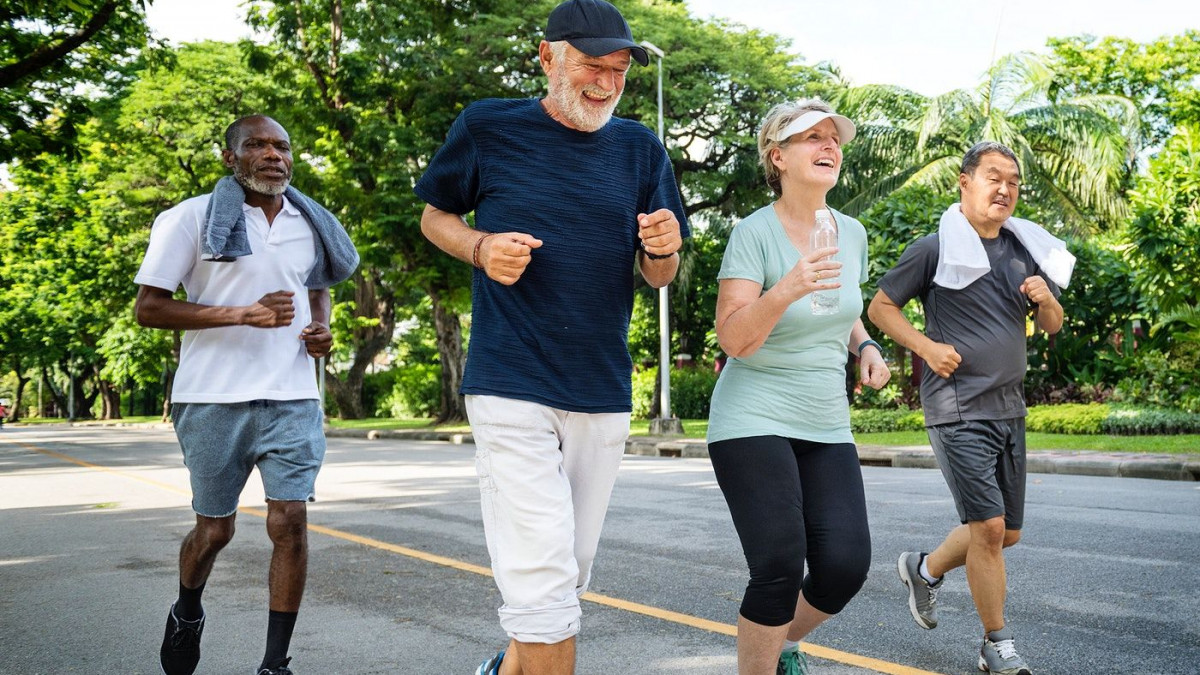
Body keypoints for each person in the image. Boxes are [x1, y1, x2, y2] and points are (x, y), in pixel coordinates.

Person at [414, 1, 688, 672]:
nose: (605, 83)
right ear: (547, 57)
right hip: (510, 381)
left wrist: (663, 246)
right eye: (592, 66)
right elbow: (434, 215)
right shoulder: (487, 127)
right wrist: (479, 248)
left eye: (619, 71)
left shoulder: (640, 149)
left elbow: (661, 273)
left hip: (600, 387)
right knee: (542, 586)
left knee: (565, 576)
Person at [134, 114, 358, 675]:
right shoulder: (189, 219)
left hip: (292, 397)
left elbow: (316, 288)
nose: (272, 154)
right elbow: (149, 308)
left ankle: (274, 663)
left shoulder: (311, 223)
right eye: (256, 145)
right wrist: (241, 313)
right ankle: (188, 610)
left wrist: (321, 330)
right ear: (230, 159)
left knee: (289, 522)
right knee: (216, 529)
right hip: (212, 398)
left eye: (281, 145)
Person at [867, 141, 1069, 675]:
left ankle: (924, 569)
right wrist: (927, 348)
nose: (1005, 189)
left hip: (1009, 408)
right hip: (957, 408)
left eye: (1014, 182)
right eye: (994, 178)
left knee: (1007, 533)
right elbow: (880, 307)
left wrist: (1046, 299)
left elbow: (1052, 325)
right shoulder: (934, 248)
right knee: (987, 531)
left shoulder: (1023, 250)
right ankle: (995, 644)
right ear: (965, 182)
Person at [707, 99, 891, 675]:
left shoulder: (851, 233)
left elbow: (840, 307)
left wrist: (864, 345)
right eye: (810, 137)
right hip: (752, 414)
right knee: (780, 563)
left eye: (833, 137)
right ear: (777, 156)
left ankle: (780, 645)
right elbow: (734, 339)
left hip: (824, 417)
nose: (828, 145)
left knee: (844, 565)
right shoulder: (753, 233)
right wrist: (784, 289)